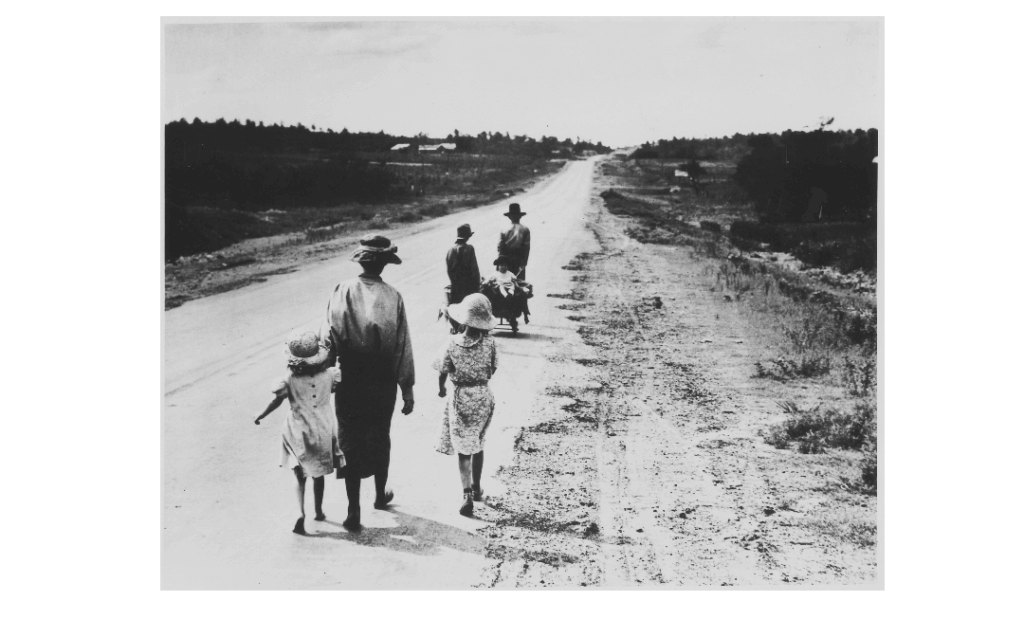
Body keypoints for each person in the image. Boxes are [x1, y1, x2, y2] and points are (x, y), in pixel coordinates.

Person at [320, 235, 415, 531]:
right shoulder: (393, 296)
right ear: (384, 264)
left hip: (350, 376)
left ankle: (353, 510)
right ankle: (378, 495)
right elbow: (402, 346)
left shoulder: (342, 290)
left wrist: (324, 375)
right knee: (379, 434)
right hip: (382, 377)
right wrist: (407, 388)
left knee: (350, 439)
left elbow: (329, 337)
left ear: (361, 261)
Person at [254, 330, 344, 535]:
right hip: (322, 428)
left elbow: (276, 401)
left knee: (300, 475)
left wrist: (260, 414)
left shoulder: (289, 379)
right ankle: (319, 510)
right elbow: (334, 389)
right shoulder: (329, 374)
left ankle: (299, 512)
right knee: (319, 474)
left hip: (297, 430)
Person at [433, 293, 498, 517]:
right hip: (482, 396)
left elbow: (443, 369)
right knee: (478, 442)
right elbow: (493, 368)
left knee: (463, 446)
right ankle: (478, 487)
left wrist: (442, 388)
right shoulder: (490, 343)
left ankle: (467, 493)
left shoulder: (452, 343)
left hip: (460, 398)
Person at [444, 223, 482, 334]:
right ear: (468, 237)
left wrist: (454, 282)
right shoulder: (469, 249)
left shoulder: (450, 250)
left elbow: (449, 270)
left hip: (456, 286)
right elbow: (474, 270)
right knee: (469, 310)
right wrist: (477, 286)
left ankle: (457, 330)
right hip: (468, 287)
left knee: (457, 309)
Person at [497, 203, 531, 322]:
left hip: (505, 260)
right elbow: (526, 247)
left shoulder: (504, 229)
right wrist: (524, 262)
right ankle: (520, 310)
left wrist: (500, 262)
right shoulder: (525, 229)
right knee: (518, 285)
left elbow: (500, 247)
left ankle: (503, 308)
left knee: (502, 282)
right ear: (519, 216)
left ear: (509, 217)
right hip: (518, 260)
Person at [484, 255, 532, 333]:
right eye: (501, 265)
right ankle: (506, 296)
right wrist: (486, 282)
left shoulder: (509, 273)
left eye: (505, 265)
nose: (503, 267)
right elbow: (487, 280)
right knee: (499, 287)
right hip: (499, 292)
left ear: (507, 266)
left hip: (509, 287)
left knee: (513, 289)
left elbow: (515, 279)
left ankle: (509, 297)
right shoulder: (495, 274)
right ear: (498, 266)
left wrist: (515, 281)